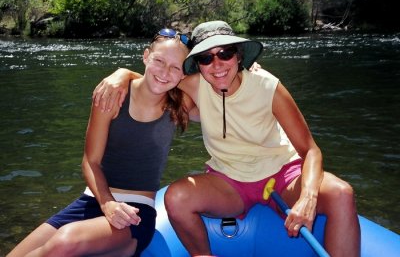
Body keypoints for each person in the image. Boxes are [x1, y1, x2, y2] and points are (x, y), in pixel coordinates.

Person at [92, 20, 361, 257]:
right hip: (229, 182)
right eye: (206, 58)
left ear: (239, 55)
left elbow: (310, 150)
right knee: (176, 197)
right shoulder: (193, 85)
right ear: (197, 65)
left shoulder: (268, 86)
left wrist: (308, 197)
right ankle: (203, 255)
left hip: (282, 175)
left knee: (341, 193)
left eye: (225, 53)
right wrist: (122, 74)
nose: (217, 65)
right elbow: (156, 80)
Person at [7, 28, 195, 257]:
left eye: (176, 67)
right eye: (159, 60)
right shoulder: (113, 95)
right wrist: (107, 204)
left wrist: (125, 72)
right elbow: (91, 160)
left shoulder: (179, 104)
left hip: (136, 211)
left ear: (183, 74)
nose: (165, 72)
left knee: (64, 242)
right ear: (146, 56)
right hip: (93, 199)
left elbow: (219, 85)